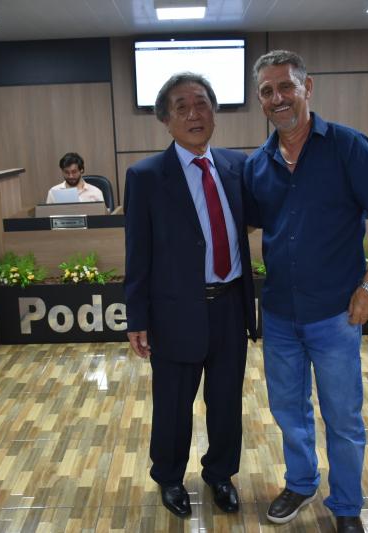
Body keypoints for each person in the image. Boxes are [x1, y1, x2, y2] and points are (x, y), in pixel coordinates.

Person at [243, 50, 368, 533]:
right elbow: (245, 226)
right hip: (279, 314)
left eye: (285, 87)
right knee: (288, 410)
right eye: (267, 91)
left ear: (307, 88)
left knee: (342, 417)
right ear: (260, 100)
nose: (277, 98)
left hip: (336, 313)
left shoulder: (348, 147)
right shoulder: (257, 164)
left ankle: (347, 505)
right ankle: (301, 482)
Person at [123, 73, 256, 518]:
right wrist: (136, 317)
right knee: (173, 405)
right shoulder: (145, 176)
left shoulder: (237, 166)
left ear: (214, 112)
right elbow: (137, 252)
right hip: (174, 312)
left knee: (226, 402)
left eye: (202, 104)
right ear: (165, 119)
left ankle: (220, 474)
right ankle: (169, 477)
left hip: (230, 306)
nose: (194, 114)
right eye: (182, 107)